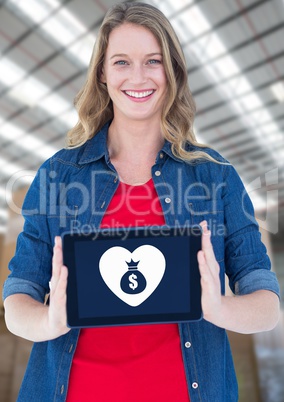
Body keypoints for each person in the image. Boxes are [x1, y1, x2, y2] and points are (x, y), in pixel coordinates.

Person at [3, 2, 280, 401]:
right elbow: (18, 296)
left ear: (172, 70)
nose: (138, 76)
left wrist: (221, 309)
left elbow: (266, 302)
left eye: (153, 61)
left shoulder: (214, 176)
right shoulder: (59, 175)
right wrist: (49, 321)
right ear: (102, 72)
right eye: (121, 62)